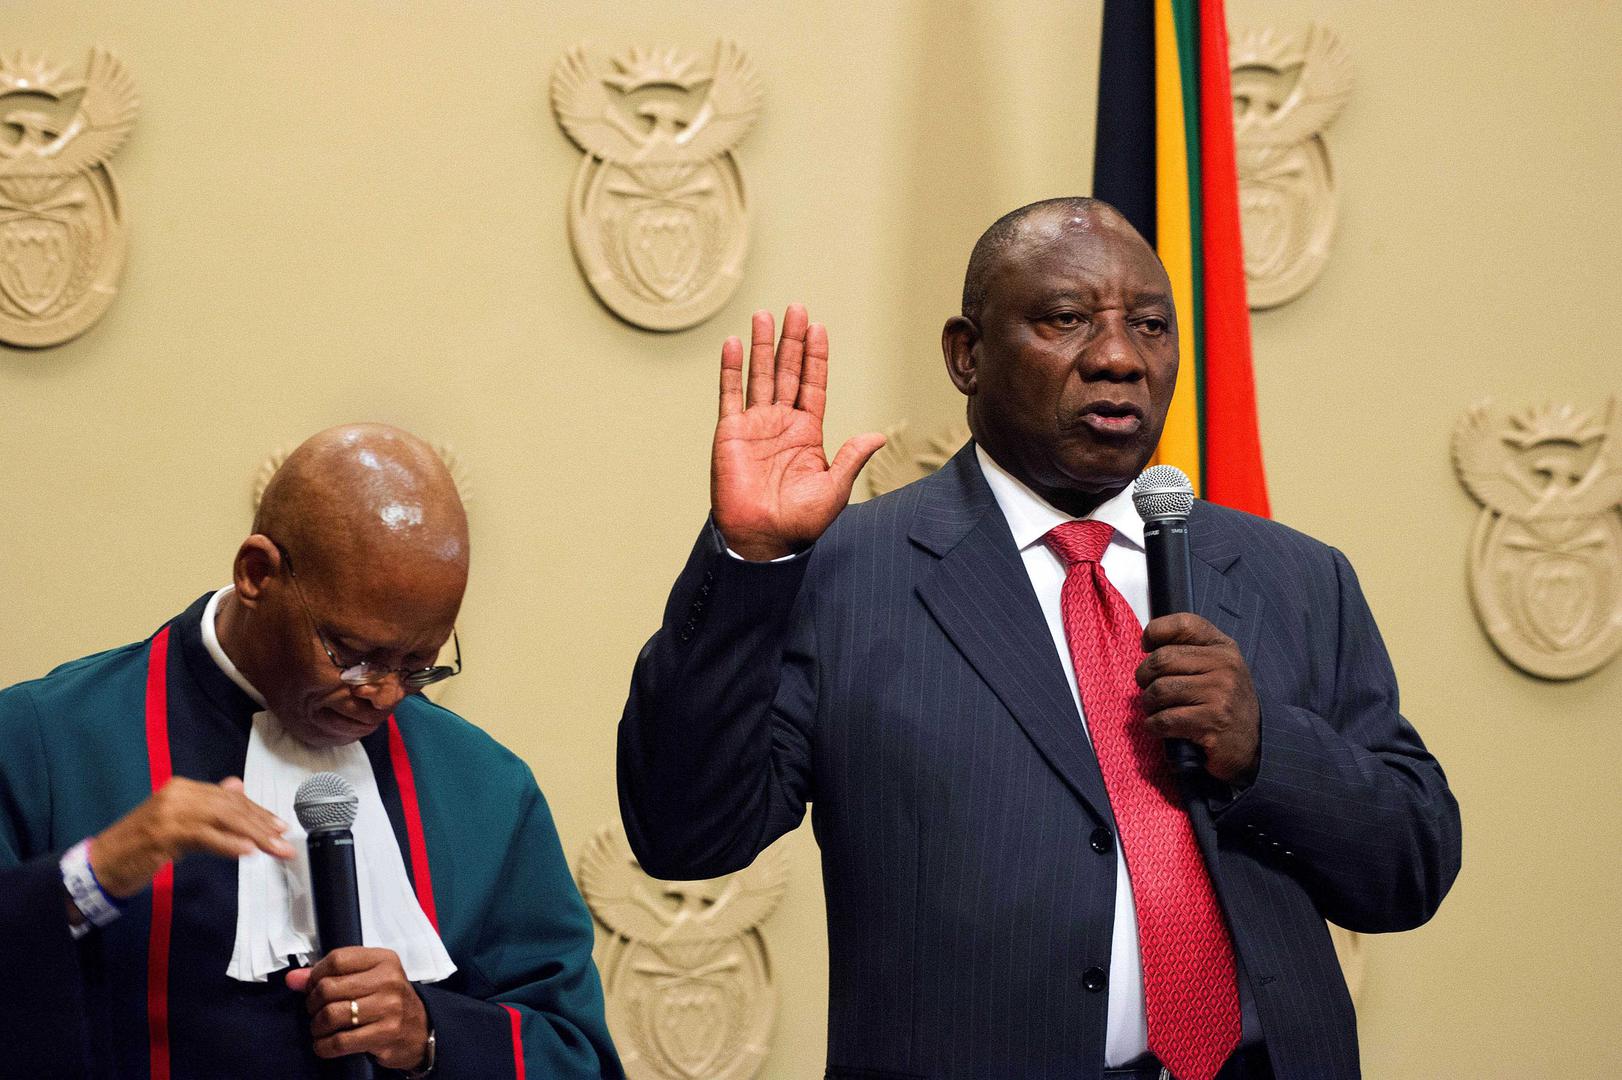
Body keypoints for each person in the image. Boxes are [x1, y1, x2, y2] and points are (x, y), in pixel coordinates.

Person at [618, 197, 1461, 1080]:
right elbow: (686, 834)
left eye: (1150, 325)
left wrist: (1265, 750)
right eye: (1065, 319)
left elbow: (1411, 865)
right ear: (967, 355)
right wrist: (752, 558)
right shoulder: (842, 575)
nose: (1119, 358)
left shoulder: (1296, 577)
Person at [0, 424, 622, 1079]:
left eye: (419, 664)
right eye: (352, 654)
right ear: (256, 574)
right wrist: (92, 876)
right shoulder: (42, 739)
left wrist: (430, 1035)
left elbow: (573, 1053)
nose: (383, 694)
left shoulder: (487, 789)